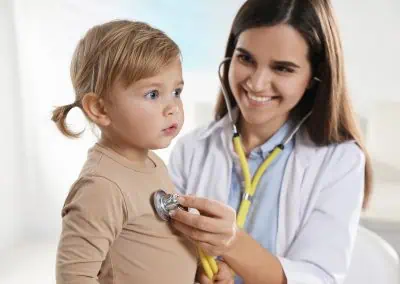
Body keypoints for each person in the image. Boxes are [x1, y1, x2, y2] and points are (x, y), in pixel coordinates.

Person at [168, 0, 372, 283]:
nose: (257, 83)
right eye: (246, 59)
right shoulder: (192, 149)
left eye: (283, 69)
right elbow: (165, 250)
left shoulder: (341, 161)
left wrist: (232, 244)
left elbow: (318, 278)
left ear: (314, 77)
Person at [52, 20, 233, 284]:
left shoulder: (153, 163)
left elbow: (156, 246)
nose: (172, 107)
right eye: (152, 94)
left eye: (176, 91)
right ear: (100, 109)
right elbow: (74, 276)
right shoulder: (101, 187)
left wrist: (199, 270)